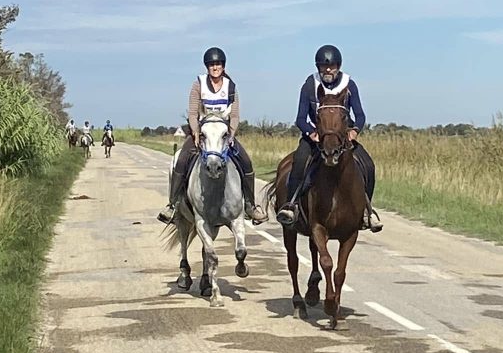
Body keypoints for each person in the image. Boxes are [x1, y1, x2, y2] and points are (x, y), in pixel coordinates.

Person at [276, 45, 381, 232]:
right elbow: (300, 118)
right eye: (324, 67)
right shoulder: (310, 85)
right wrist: (311, 132)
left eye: (332, 66)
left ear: (338, 66)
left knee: (369, 165)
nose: (328, 70)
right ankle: (292, 206)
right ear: (318, 67)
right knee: (299, 162)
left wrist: (354, 130)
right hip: (316, 138)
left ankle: (367, 212)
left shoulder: (349, 85)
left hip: (342, 140)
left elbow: (360, 115)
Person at [157, 47, 267, 225]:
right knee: (182, 159)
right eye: (211, 65)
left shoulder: (231, 87)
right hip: (202, 133)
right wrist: (195, 132)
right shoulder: (198, 85)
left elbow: (235, 115)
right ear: (207, 67)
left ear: (223, 66)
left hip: (223, 134)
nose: (215, 67)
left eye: (218, 64)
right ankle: (172, 204)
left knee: (246, 161)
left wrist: (230, 135)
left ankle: (250, 205)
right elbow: (193, 113)